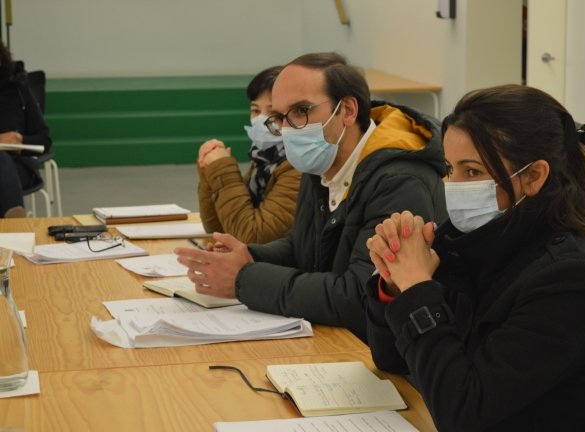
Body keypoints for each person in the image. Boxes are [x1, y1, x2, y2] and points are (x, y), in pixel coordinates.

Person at [365, 84, 585, 431]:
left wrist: (418, 287)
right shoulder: (472, 241)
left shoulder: (571, 276)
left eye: (472, 171)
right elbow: (391, 359)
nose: (454, 185)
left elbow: (463, 411)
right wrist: (395, 286)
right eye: (449, 169)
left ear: (533, 176)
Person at [175, 52, 447, 341]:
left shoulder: (399, 181)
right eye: (279, 118)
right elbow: (302, 248)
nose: (287, 130)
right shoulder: (322, 159)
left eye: (300, 111)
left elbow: (359, 297)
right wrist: (248, 256)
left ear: (347, 110)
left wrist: (244, 278)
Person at [197, 66, 301, 243]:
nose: (261, 120)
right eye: (256, 111)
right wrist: (209, 170)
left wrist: (222, 171)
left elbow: (253, 237)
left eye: (273, 113)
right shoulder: (264, 161)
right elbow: (219, 229)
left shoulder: (298, 165)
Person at [0, 41, 52, 218]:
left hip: (13, 167)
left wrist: (20, 140)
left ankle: (14, 225)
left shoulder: (18, 90)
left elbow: (44, 140)